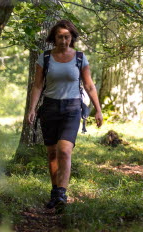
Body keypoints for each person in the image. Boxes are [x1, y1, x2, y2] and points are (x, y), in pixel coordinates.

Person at [27, 19, 103, 211]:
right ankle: (55, 192)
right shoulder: (44, 57)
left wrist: (98, 110)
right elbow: (37, 85)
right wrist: (32, 109)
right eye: (60, 36)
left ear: (72, 37)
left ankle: (62, 192)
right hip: (50, 108)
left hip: (72, 108)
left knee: (64, 150)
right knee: (52, 153)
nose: (63, 40)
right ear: (54, 38)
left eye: (67, 36)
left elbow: (89, 85)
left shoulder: (79, 57)